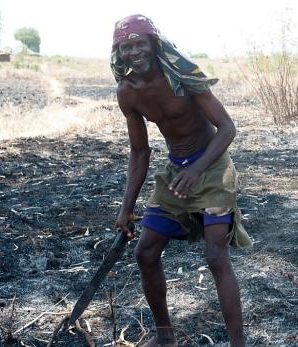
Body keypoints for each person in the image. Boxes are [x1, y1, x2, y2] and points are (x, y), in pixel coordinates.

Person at [110, 14, 252, 347]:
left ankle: (238, 344)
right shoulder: (127, 92)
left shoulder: (181, 77)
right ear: (119, 52)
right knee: (145, 254)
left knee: (216, 257)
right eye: (126, 47)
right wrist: (126, 209)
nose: (134, 52)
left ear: (154, 44)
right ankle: (165, 337)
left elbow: (227, 128)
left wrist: (198, 169)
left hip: (213, 168)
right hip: (176, 173)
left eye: (140, 44)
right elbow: (140, 152)